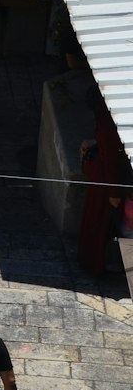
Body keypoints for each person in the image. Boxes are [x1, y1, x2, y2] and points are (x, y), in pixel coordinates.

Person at [77, 86, 132, 276]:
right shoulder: (108, 126)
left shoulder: (106, 124)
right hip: (107, 183)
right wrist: (114, 193)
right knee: (102, 223)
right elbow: (109, 161)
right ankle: (98, 263)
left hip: (105, 181)